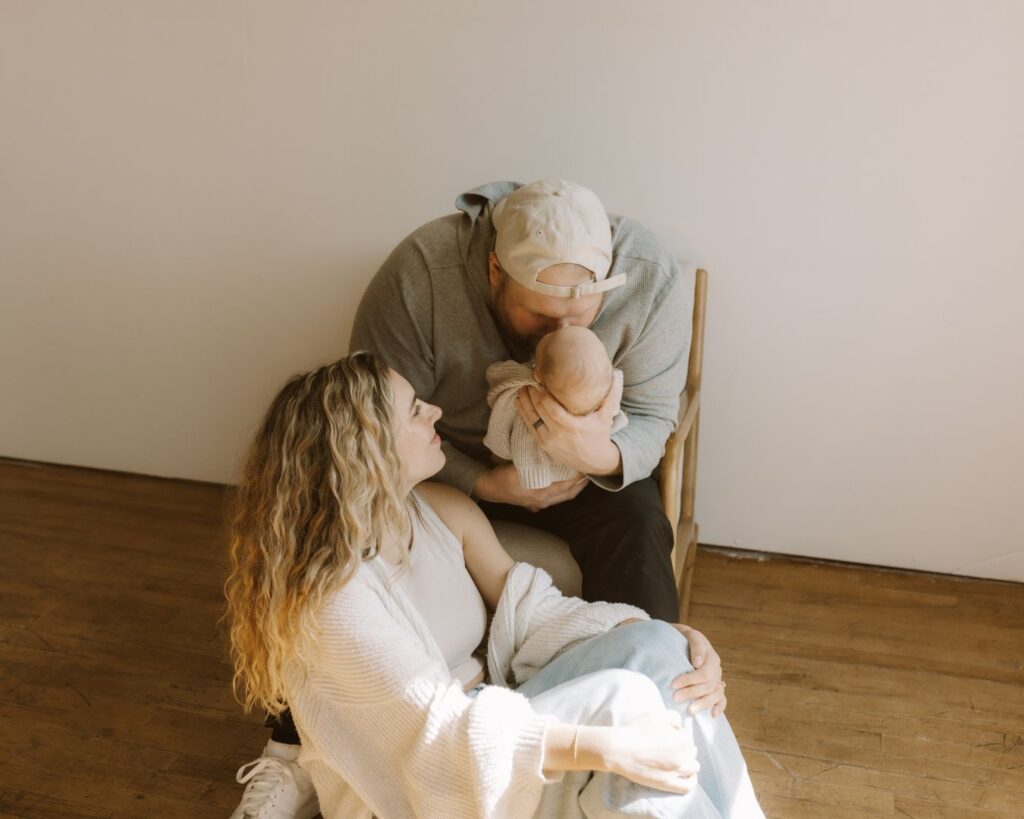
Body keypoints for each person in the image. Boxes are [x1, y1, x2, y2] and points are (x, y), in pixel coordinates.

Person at [224, 353, 763, 818]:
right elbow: (434, 735)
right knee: (625, 708)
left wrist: (675, 636)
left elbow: (527, 607)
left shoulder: (438, 510)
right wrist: (602, 746)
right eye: (414, 410)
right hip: (421, 790)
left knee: (659, 652)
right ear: (363, 447)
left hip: (498, 722)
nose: (434, 410)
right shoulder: (332, 600)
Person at [349, 177, 689, 624]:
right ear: (495, 271)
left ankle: (647, 674)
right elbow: (370, 420)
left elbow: (653, 416)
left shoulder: (651, 276)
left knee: (638, 523)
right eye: (541, 313)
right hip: (442, 464)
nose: (561, 330)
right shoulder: (420, 275)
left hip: (588, 476)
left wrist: (599, 455)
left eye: (582, 313)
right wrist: (481, 481)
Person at [484, 325, 628, 491]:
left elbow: (495, 376)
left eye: (551, 336)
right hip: (579, 476)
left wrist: (498, 456)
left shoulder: (521, 388)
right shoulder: (610, 391)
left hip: (527, 471)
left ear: (537, 375)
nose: (563, 324)